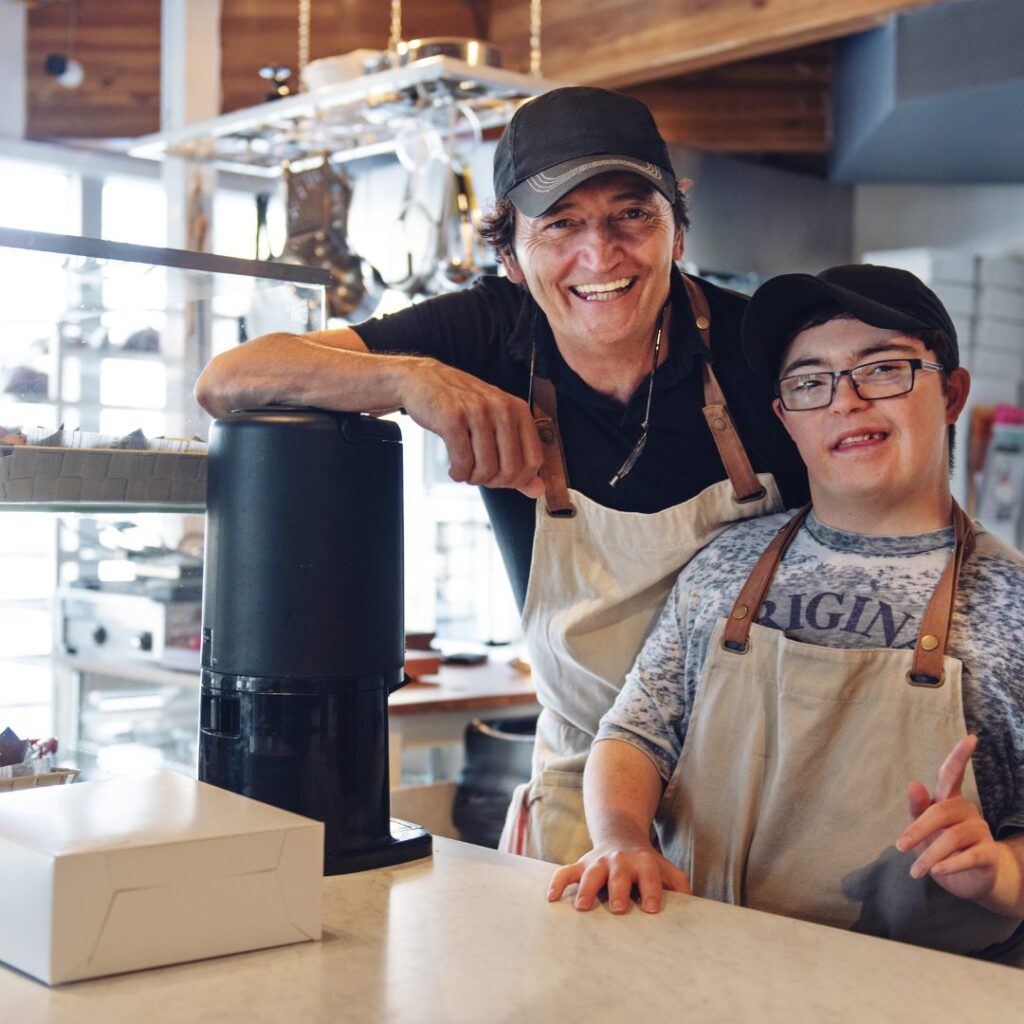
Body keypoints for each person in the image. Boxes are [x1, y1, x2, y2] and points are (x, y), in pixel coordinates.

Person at [194, 86, 809, 865]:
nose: (600, 255)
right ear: (511, 254)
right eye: (561, 224)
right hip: (582, 787)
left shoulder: (766, 349)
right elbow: (231, 376)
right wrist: (410, 380)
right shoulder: (484, 331)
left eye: (632, 215)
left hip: (759, 779)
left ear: (677, 231)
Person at [548, 263, 1024, 960]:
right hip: (705, 975)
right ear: (785, 418)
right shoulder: (723, 568)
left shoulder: (1012, 601)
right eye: (810, 382)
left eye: (884, 369)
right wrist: (621, 838)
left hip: (920, 997)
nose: (847, 401)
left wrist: (1002, 873)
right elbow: (634, 736)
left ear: (951, 393)